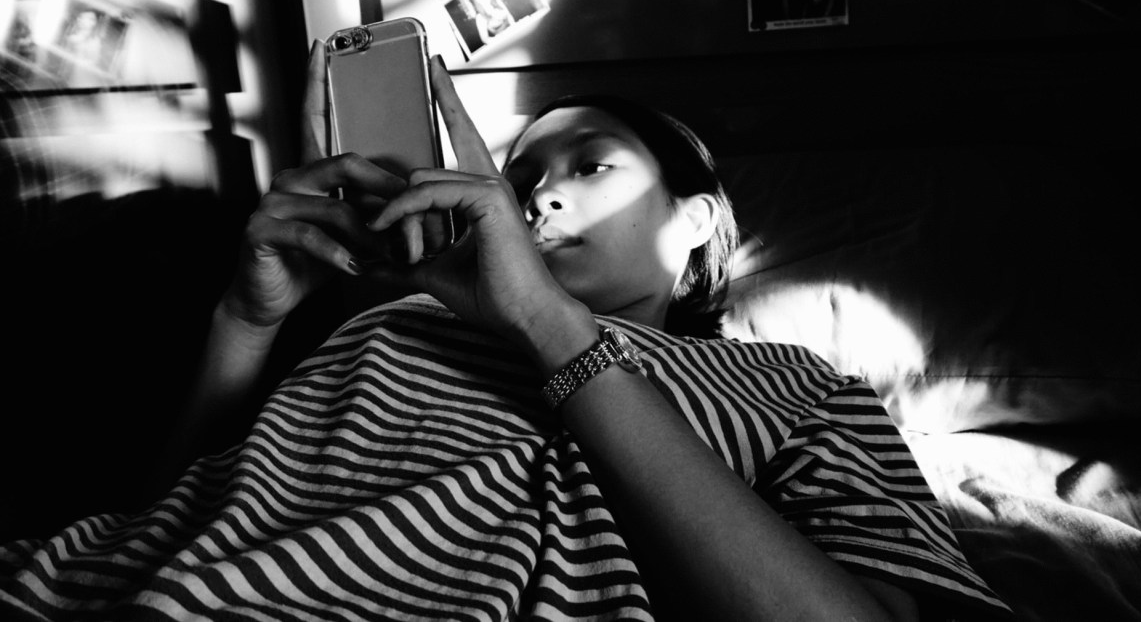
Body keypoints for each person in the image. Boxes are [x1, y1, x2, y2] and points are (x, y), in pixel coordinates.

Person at [0, 42, 1011, 621]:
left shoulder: (795, 383)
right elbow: (168, 513)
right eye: (520, 175)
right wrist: (246, 317)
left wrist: (549, 327)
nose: (539, 198)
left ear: (698, 220)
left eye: (590, 165)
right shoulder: (391, 315)